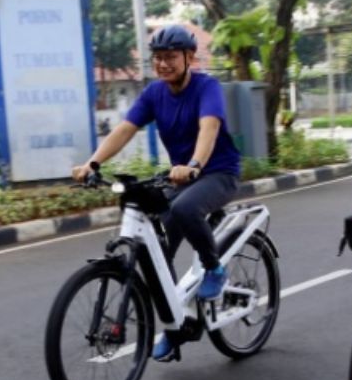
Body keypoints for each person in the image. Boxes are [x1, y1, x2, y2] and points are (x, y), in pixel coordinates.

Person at [71, 24, 241, 362]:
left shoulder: (207, 87)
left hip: (216, 172)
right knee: (156, 254)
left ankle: (213, 267)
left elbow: (209, 128)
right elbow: (124, 129)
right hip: (179, 177)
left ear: (189, 57)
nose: (163, 64)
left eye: (170, 57)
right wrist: (92, 163)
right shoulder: (154, 93)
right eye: (158, 58)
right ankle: (177, 327)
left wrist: (193, 163)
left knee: (184, 209)